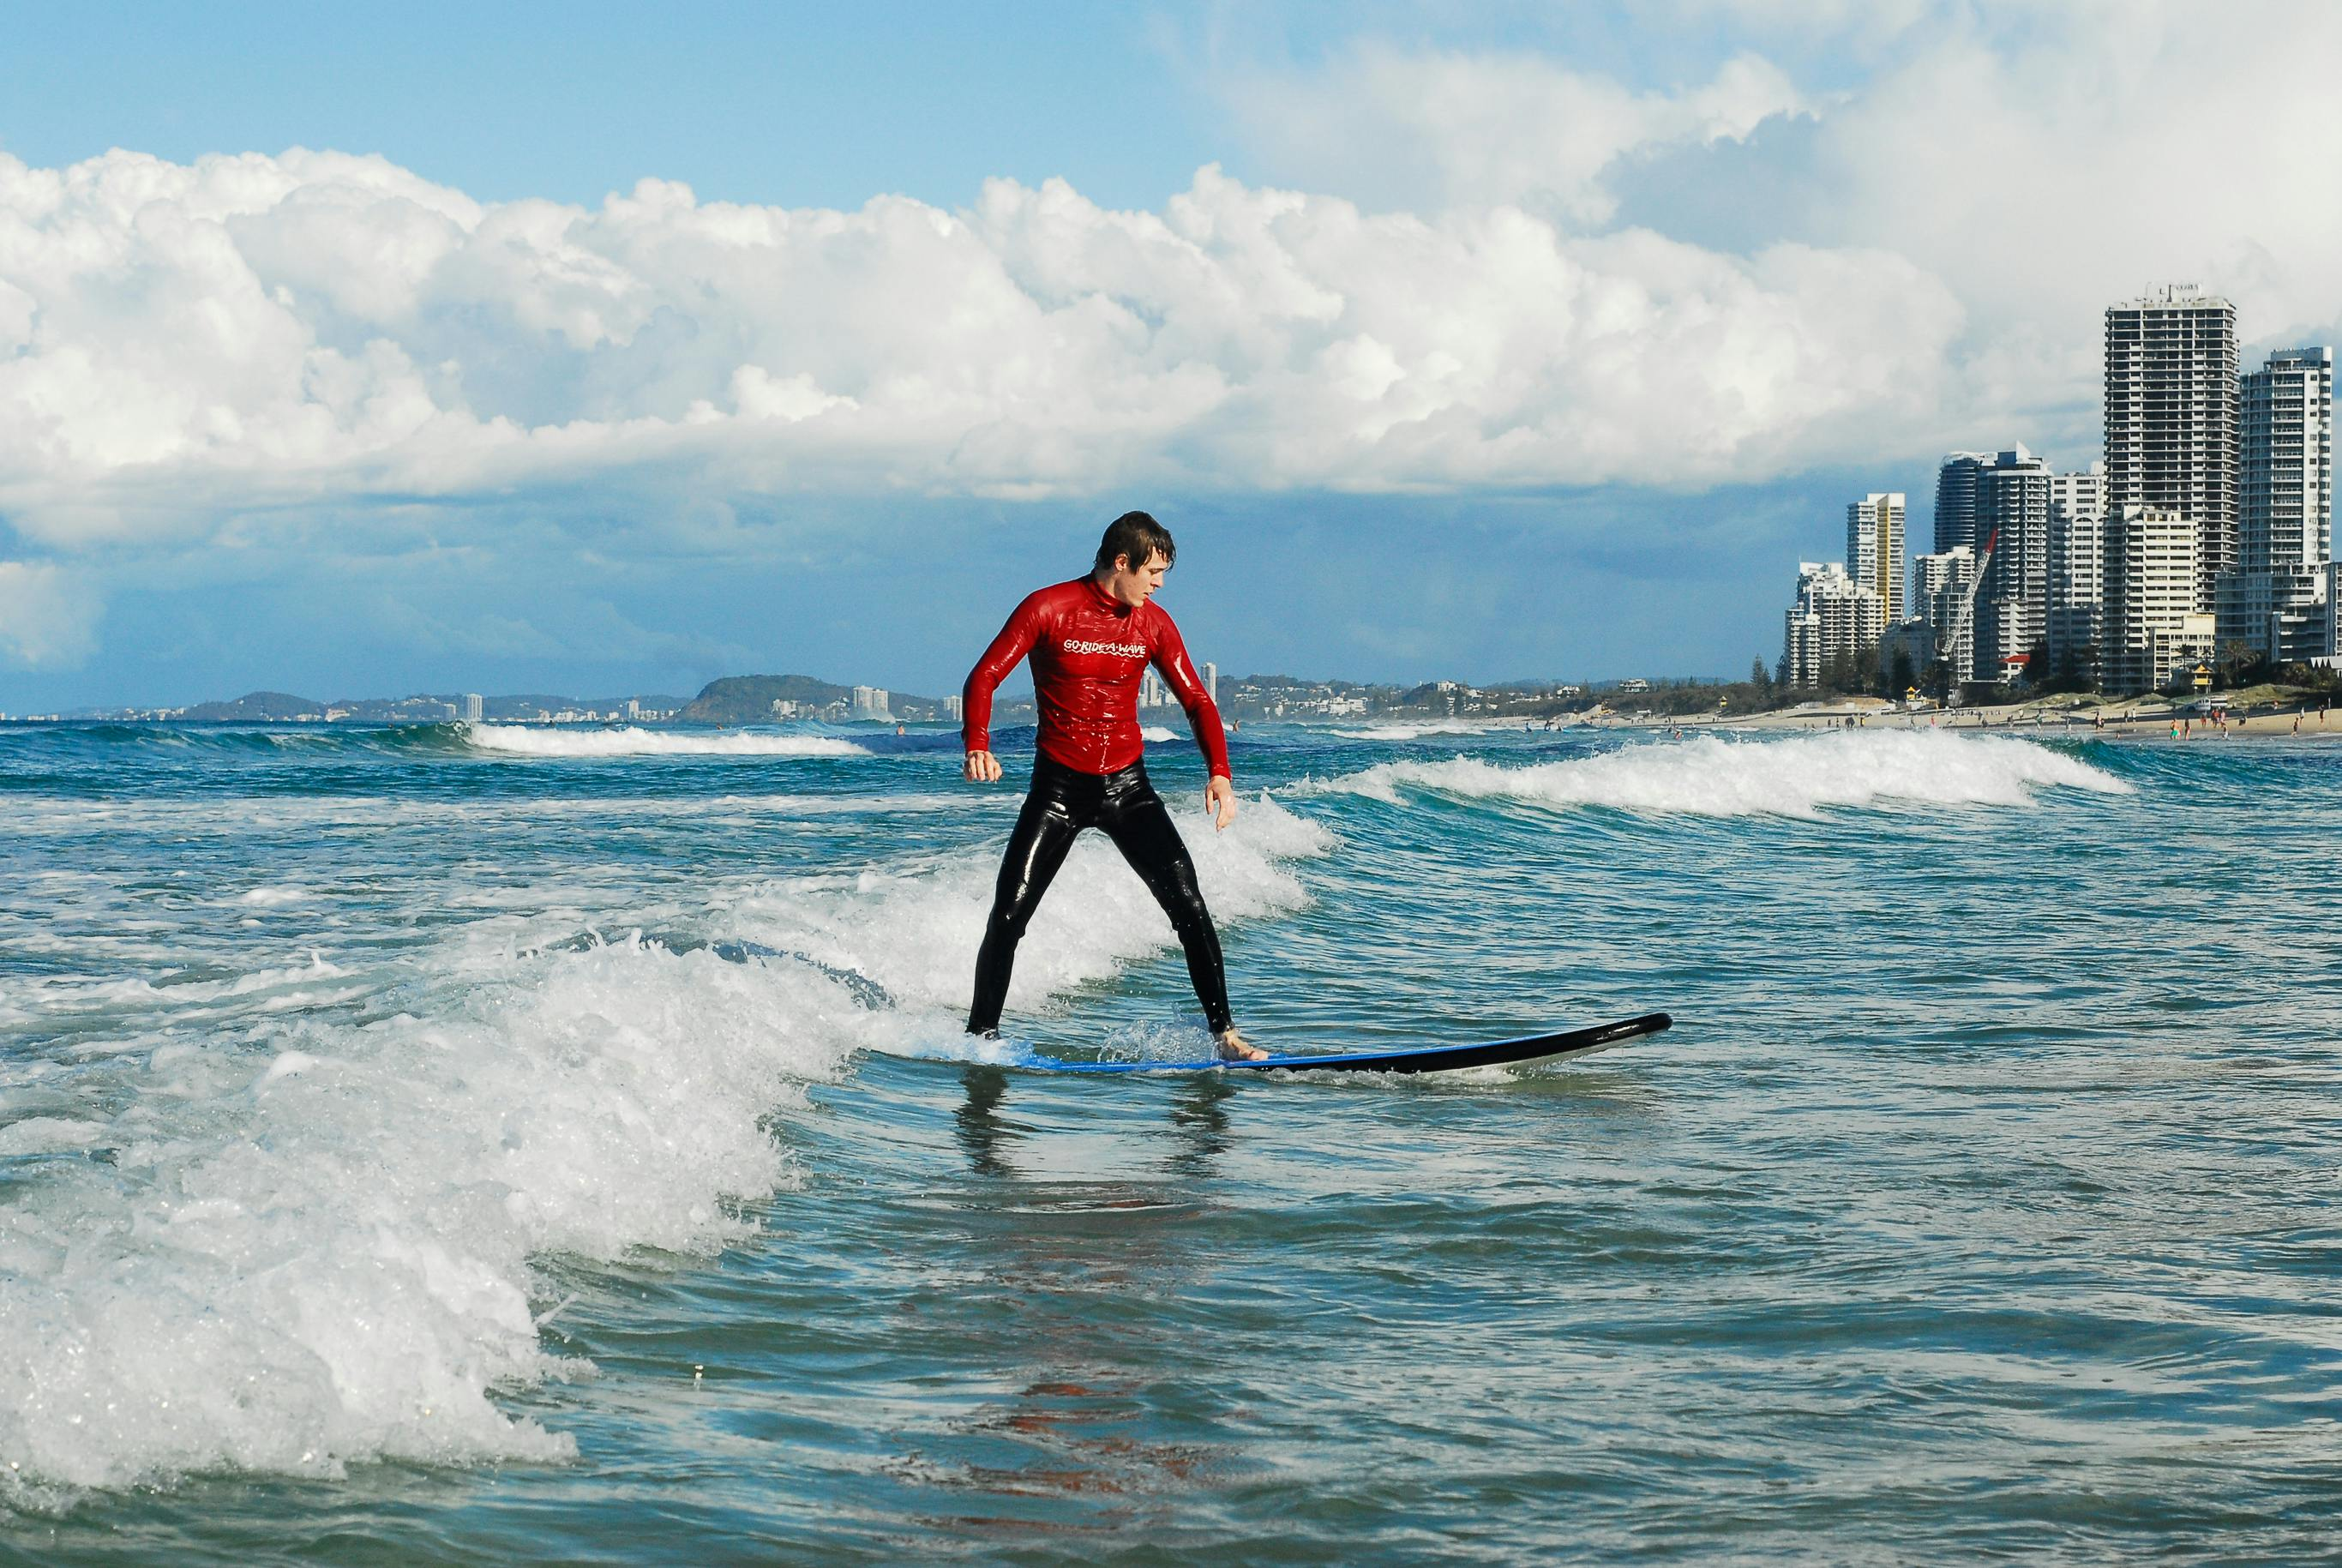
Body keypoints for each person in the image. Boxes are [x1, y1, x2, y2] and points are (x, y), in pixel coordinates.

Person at [959, 511, 1264, 1060]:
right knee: (1009, 914)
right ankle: (979, 1041)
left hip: (1128, 789)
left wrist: (1220, 771)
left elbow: (1196, 699)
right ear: (1121, 563)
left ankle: (1225, 1035)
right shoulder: (1047, 608)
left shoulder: (1153, 623)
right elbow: (984, 674)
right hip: (1057, 790)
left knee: (1189, 904)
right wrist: (977, 742)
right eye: (1153, 571)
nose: (1160, 583)